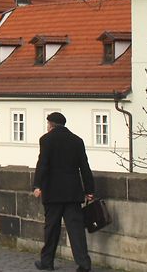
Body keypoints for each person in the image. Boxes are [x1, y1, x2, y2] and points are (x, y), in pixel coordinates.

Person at [32, 112, 95, 272]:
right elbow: (85, 167)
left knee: (51, 229)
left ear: (51, 125)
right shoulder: (77, 141)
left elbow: (43, 164)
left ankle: (47, 262)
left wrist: (37, 185)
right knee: (76, 230)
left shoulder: (46, 140)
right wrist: (89, 190)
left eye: (48, 125)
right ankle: (84, 264)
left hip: (53, 193)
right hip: (73, 193)